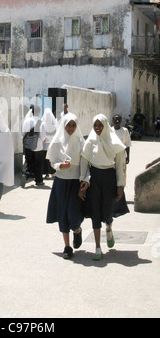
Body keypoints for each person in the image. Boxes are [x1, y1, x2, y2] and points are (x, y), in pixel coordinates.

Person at [79, 114, 129, 261]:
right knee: (95, 211)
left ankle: (109, 228)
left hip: (109, 178)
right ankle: (97, 247)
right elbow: (84, 162)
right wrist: (83, 181)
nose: (98, 128)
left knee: (108, 211)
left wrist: (120, 185)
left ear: (106, 125)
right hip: (95, 178)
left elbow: (120, 165)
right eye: (95, 125)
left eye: (100, 125)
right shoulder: (90, 141)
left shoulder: (114, 142)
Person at [46, 113, 89, 259]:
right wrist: (60, 165)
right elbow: (52, 162)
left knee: (73, 213)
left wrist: (84, 180)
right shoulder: (57, 142)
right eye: (68, 125)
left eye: (73, 125)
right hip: (61, 182)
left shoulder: (81, 142)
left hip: (75, 182)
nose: (70, 128)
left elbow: (85, 163)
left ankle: (77, 229)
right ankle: (67, 246)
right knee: (63, 214)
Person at [21, 105, 46, 187]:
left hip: (28, 145)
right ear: (39, 112)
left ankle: (24, 175)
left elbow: (23, 133)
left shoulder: (26, 121)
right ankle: (39, 181)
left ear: (31, 112)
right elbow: (42, 136)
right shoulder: (40, 122)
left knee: (28, 161)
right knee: (38, 163)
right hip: (38, 146)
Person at [41, 108, 57, 179]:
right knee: (50, 159)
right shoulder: (54, 124)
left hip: (44, 145)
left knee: (45, 159)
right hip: (51, 145)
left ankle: (45, 173)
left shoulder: (42, 123)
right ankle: (52, 172)